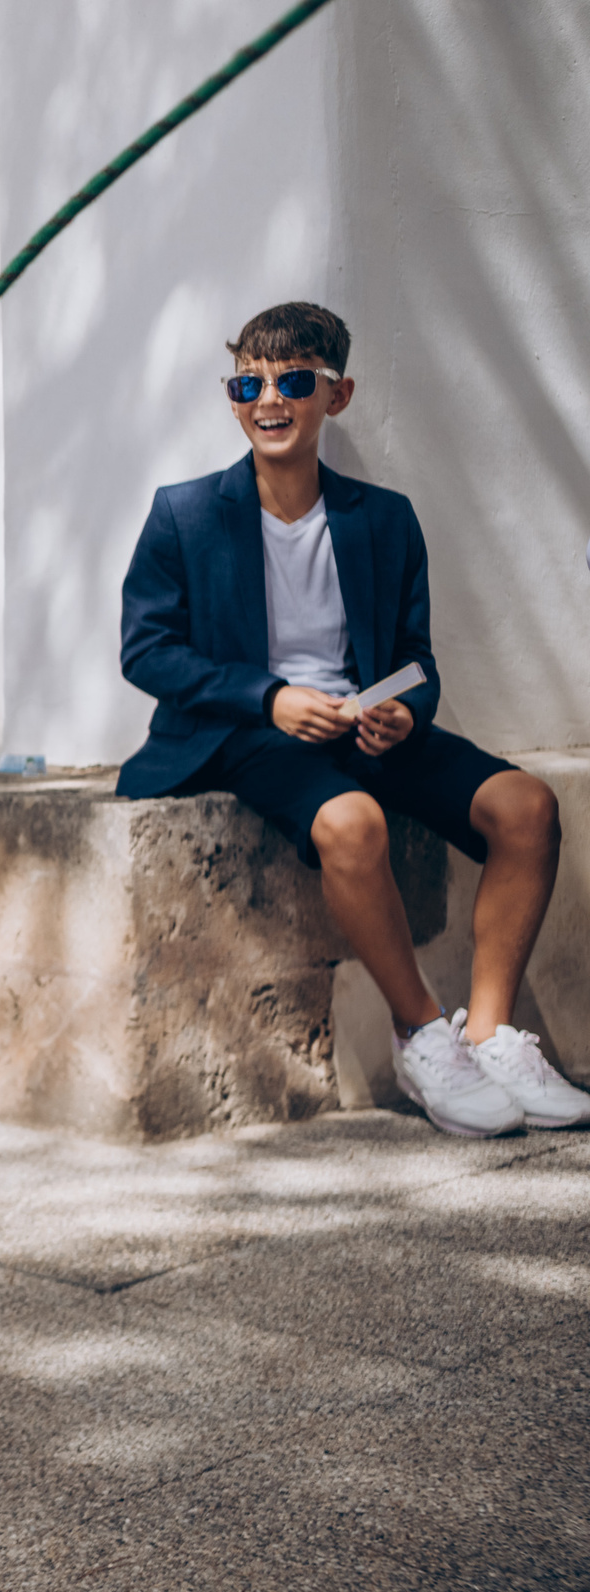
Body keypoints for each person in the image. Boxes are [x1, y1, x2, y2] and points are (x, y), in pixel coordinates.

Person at [118, 301, 587, 1136]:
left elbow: (416, 657)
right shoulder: (183, 514)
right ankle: (421, 1033)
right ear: (233, 400)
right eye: (248, 383)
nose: (269, 399)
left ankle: (489, 1037)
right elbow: (148, 651)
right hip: (249, 734)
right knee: (352, 821)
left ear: (337, 397)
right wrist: (269, 698)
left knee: (528, 808)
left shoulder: (385, 519)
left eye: (294, 381)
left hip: (366, 727)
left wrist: (403, 711)